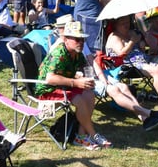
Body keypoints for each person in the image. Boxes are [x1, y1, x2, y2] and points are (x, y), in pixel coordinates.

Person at [34, 20, 110, 150]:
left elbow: (85, 67)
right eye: (77, 39)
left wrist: (84, 78)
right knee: (79, 99)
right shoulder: (59, 54)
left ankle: (80, 136)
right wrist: (76, 82)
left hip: (63, 86)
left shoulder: (77, 53)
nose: (81, 42)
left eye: (82, 39)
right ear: (65, 39)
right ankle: (93, 134)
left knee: (89, 94)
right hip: (47, 89)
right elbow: (50, 78)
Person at [105, 15, 158, 109]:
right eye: (123, 23)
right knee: (156, 71)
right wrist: (132, 42)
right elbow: (121, 53)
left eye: (127, 22)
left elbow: (145, 45)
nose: (126, 25)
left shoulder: (131, 33)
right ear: (116, 24)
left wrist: (142, 44)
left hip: (142, 60)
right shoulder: (114, 37)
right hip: (127, 65)